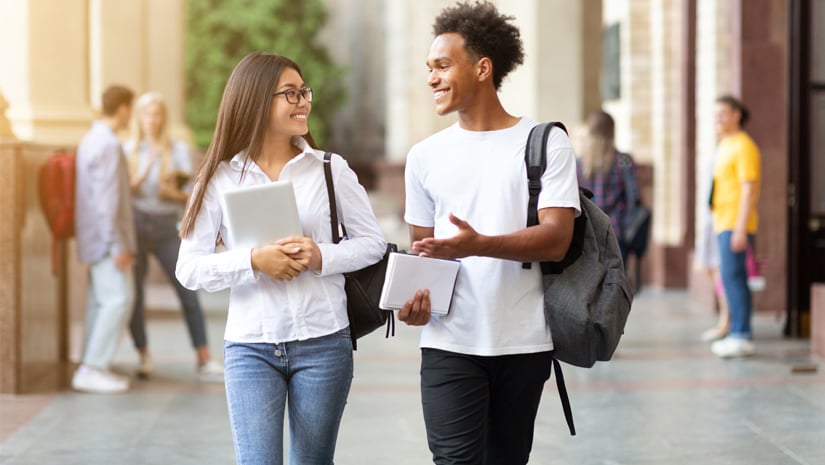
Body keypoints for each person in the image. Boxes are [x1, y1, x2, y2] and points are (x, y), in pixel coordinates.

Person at [175, 52, 386, 465]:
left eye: (304, 92)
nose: (303, 101)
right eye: (290, 94)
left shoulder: (330, 169)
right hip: (250, 345)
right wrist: (253, 260)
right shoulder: (219, 178)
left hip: (325, 342)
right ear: (255, 100)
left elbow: (372, 243)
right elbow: (189, 266)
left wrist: (319, 255)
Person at [400, 2, 580, 463]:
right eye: (429, 68)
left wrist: (478, 245)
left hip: (523, 343)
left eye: (442, 65)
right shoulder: (424, 156)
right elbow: (424, 255)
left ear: (483, 68)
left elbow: (556, 237)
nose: (431, 78)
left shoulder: (545, 142)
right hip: (447, 343)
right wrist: (415, 302)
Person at [124, 92, 223, 381]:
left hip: (167, 226)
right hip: (138, 226)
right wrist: (145, 169)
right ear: (139, 119)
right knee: (136, 295)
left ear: (163, 117)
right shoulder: (128, 149)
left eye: (157, 114)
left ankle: (204, 358)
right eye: (146, 114)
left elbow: (187, 192)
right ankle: (143, 356)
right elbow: (124, 192)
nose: (152, 120)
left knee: (188, 290)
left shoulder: (177, 149)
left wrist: (173, 193)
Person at [72, 84, 137, 393]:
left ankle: (93, 365)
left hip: (94, 237)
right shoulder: (109, 145)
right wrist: (118, 246)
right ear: (123, 108)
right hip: (105, 240)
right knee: (119, 299)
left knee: (102, 302)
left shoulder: (90, 139)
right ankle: (91, 367)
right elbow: (107, 201)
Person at [709, 95, 761, 358]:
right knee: (730, 279)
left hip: (735, 223)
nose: (718, 119)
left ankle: (741, 334)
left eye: (723, 114)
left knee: (735, 279)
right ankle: (737, 332)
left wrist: (740, 228)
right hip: (723, 222)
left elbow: (748, 189)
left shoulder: (744, 146)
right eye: (715, 114)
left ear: (737, 115)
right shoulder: (726, 144)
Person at [576, 109, 642, 266]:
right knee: (615, 284)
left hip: (587, 235)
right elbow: (635, 197)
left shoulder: (578, 165)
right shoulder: (623, 161)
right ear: (612, 131)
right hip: (617, 233)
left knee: (589, 286)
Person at [696, 150, 729, 342]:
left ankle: (727, 320)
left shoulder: (733, 150)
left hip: (721, 220)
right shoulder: (719, 151)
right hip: (712, 219)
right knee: (713, 269)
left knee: (720, 271)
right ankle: (725, 318)